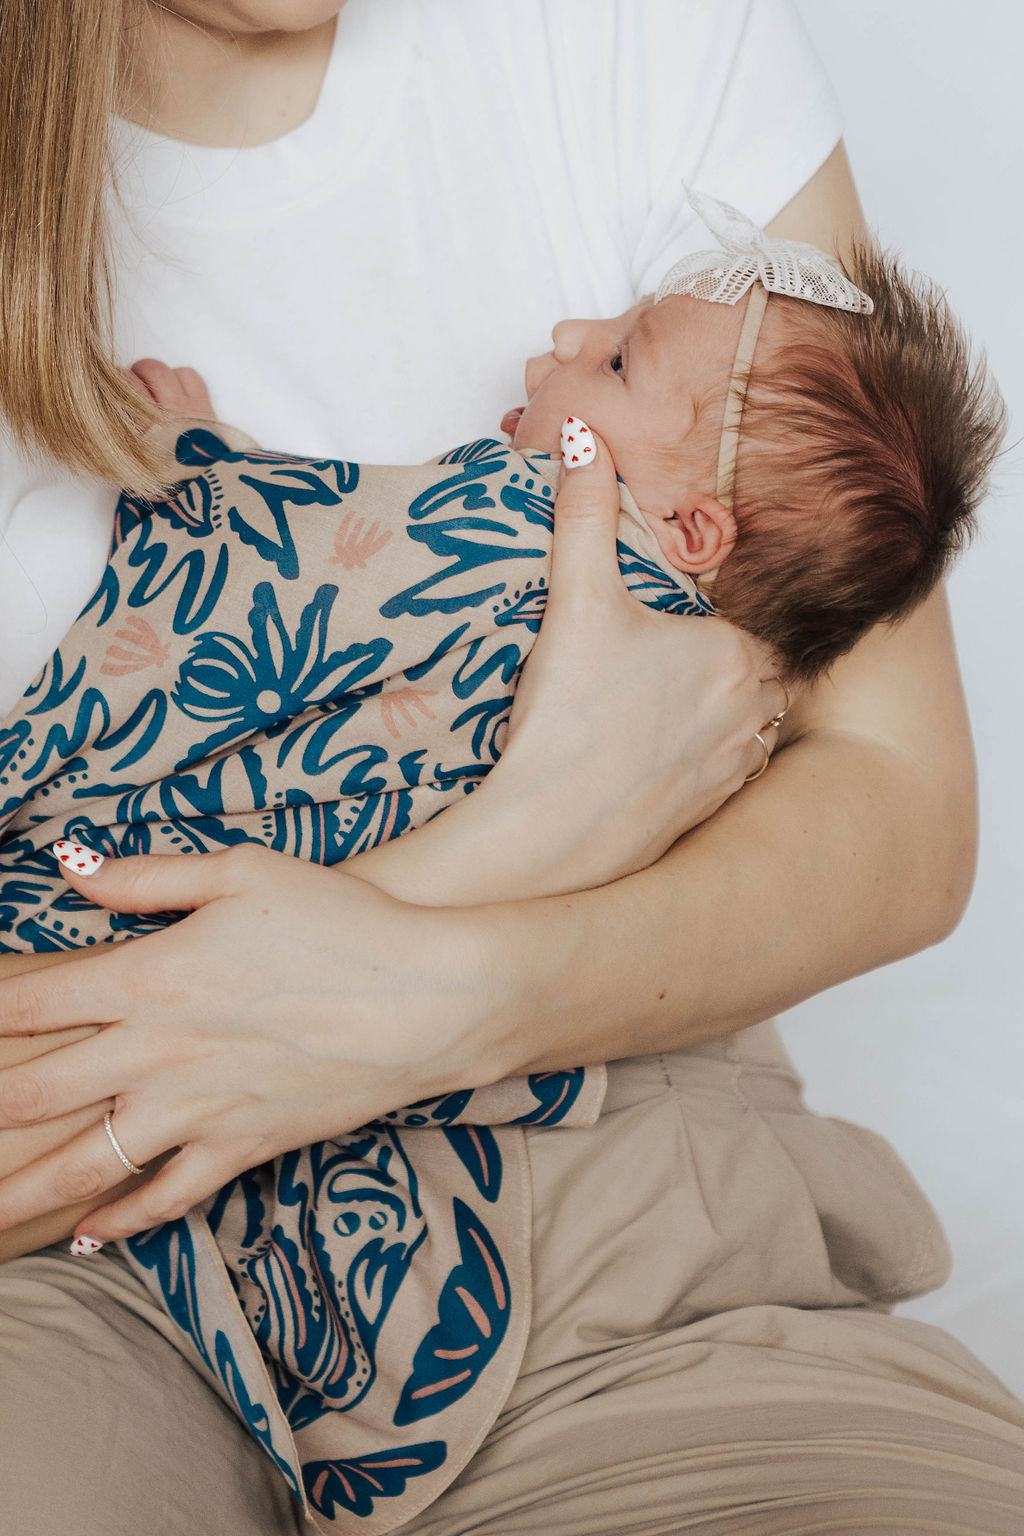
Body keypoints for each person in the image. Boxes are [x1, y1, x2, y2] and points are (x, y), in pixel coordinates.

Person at [2, 3, 1022, 1533]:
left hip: (602, 1164)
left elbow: (897, 803)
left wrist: (433, 988)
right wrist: (531, 830)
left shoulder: (626, 45)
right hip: (80, 1188)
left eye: (610, 354)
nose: (562, 342)